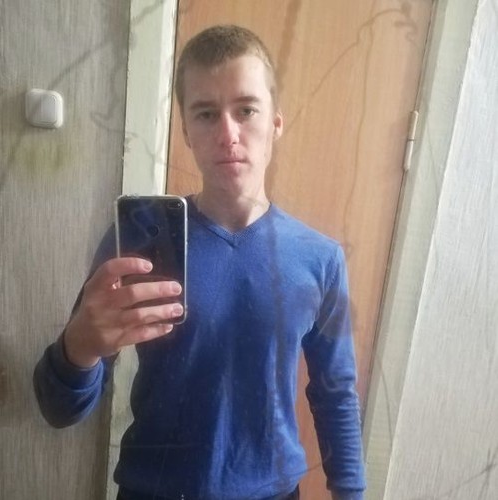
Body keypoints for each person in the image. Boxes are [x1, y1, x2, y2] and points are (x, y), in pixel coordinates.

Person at [34, 25, 366, 500]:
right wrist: (79, 347)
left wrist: (351, 494)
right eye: (206, 114)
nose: (228, 134)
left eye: (246, 110)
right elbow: (59, 409)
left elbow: (336, 396)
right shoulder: (141, 239)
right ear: (186, 130)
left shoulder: (321, 259)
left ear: (276, 122)